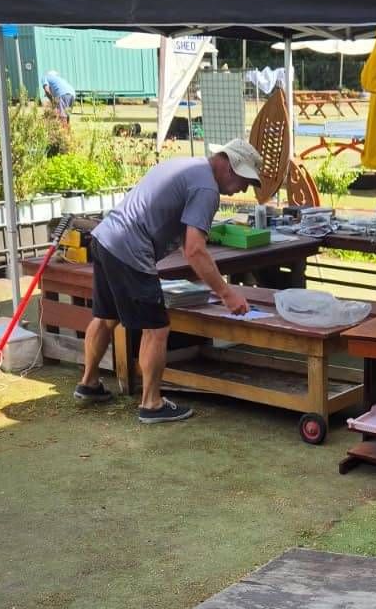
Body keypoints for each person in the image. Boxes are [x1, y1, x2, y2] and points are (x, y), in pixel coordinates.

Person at [74, 139, 263, 423]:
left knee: (106, 318)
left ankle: (88, 383)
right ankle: (151, 404)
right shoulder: (207, 188)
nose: (244, 189)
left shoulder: (187, 165)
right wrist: (227, 294)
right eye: (245, 181)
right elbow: (195, 250)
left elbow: (185, 240)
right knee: (157, 329)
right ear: (229, 167)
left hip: (105, 238)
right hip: (130, 249)